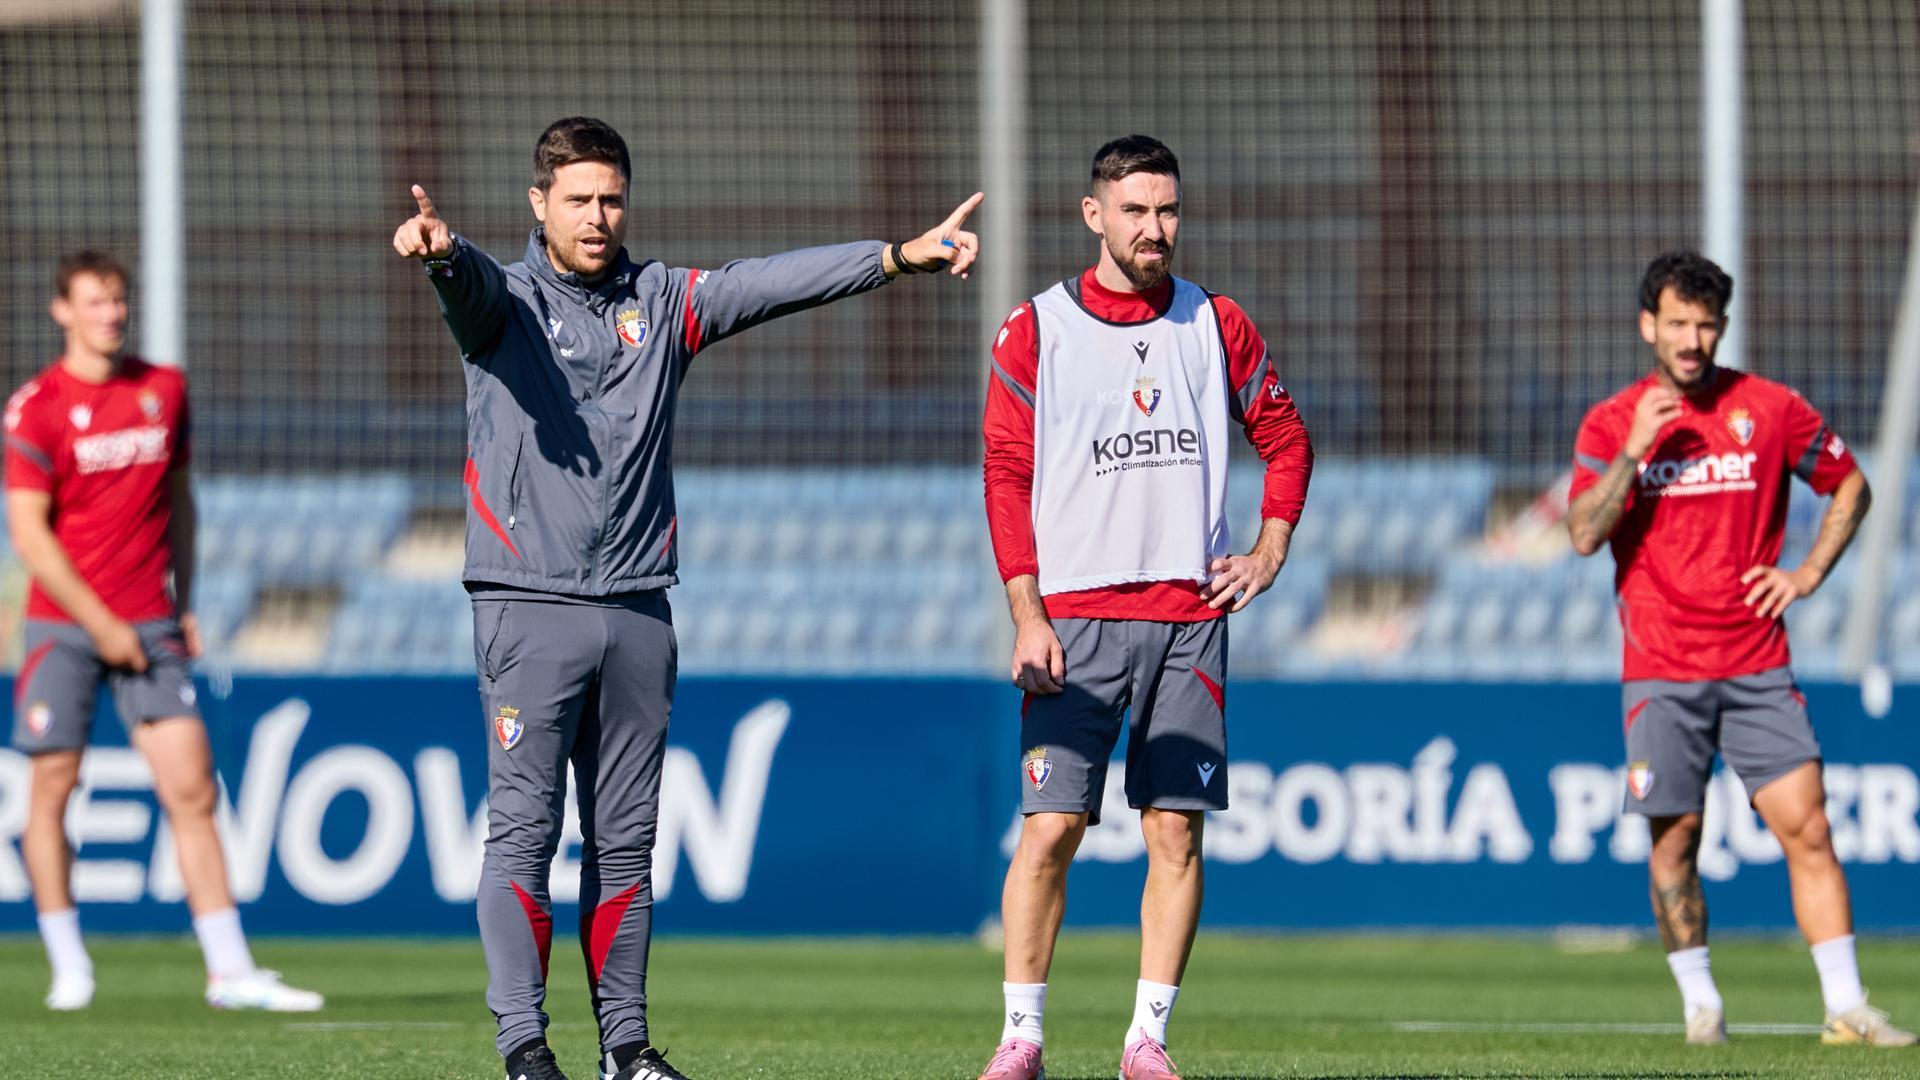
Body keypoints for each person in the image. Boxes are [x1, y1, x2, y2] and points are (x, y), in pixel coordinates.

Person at [391, 116, 980, 1080]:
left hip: (639, 610)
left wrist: (896, 258)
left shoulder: (663, 302)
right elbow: (471, 289)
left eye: (611, 199)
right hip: (528, 605)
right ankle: (525, 1046)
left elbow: (768, 283)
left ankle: (626, 1049)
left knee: (626, 847)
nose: (597, 215)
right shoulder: (507, 303)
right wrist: (443, 256)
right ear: (539, 204)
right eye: (578, 199)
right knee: (524, 837)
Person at [976, 135, 1312, 1080]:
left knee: (1175, 830)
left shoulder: (1216, 322)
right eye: (1135, 210)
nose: (1154, 228)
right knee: (1052, 829)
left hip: (1190, 617)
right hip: (1074, 618)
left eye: (1166, 210)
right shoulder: (1037, 328)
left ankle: (1147, 1040)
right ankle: (1021, 1038)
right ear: (1095, 215)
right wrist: (1027, 612)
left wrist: (1270, 549)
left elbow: (1286, 437)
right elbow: (1005, 474)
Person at [1567, 250, 1913, 1048]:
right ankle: (1702, 1009)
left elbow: (1851, 484)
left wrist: (1808, 573)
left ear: (1721, 326)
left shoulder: (1769, 408)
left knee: (1810, 827)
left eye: (1706, 325)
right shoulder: (1612, 422)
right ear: (1648, 325)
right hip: (1660, 667)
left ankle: (1847, 1007)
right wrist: (1635, 452)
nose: (1692, 340)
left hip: (1756, 662)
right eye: (1677, 323)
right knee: (1674, 840)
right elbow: (1583, 534)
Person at [6, 251, 323, 1014]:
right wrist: (99, 623)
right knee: (52, 790)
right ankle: (69, 964)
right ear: (62, 311)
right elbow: (30, 536)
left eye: (118, 300)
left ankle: (229, 970)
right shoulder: (36, 408)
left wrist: (187, 601)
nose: (110, 314)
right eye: (94, 302)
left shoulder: (164, 389)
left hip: (149, 620)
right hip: (64, 626)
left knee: (192, 786)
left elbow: (180, 500)